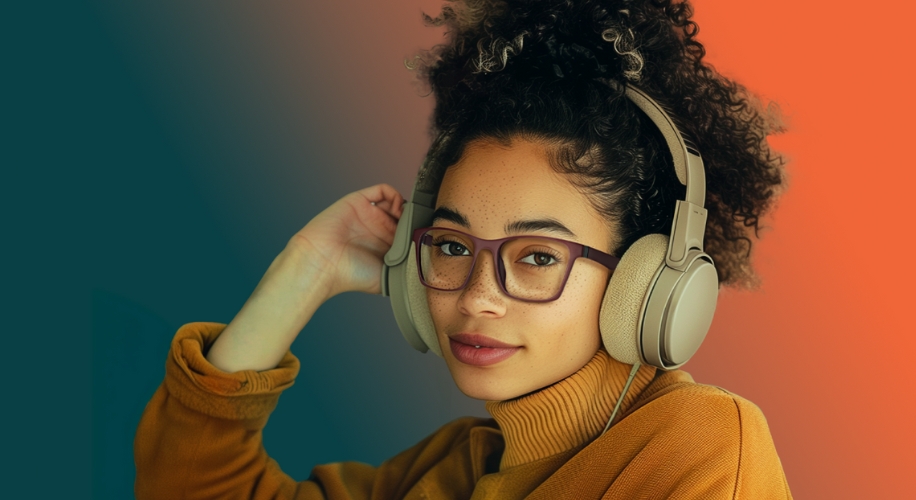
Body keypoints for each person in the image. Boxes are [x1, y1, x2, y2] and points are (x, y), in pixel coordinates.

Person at [134, 0, 792, 498]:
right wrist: (304, 269)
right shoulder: (453, 467)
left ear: (645, 283)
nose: (477, 296)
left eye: (536, 256)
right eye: (451, 245)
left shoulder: (702, 446)